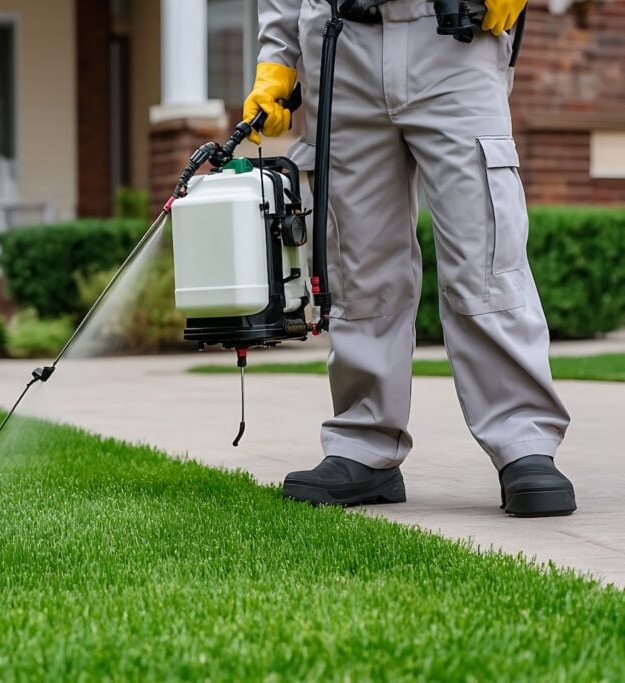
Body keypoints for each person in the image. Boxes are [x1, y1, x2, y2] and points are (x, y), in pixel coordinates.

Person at [244, 0, 577, 516]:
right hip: (338, 43)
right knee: (359, 258)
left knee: (483, 248)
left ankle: (523, 440)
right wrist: (278, 57)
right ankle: (364, 442)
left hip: (452, 35)